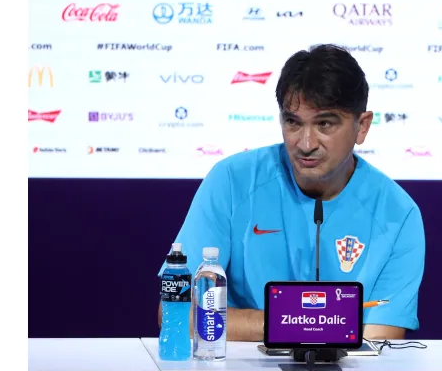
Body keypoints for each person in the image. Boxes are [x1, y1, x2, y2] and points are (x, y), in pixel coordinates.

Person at [158, 44, 426, 341]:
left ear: (362, 127)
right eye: (293, 122)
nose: (306, 143)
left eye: (325, 123)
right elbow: (175, 312)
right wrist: (302, 323)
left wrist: (274, 323)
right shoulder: (231, 181)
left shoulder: (398, 214)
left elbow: (379, 340)